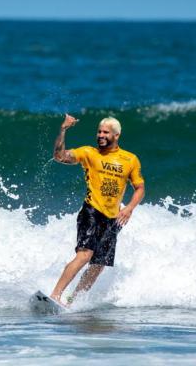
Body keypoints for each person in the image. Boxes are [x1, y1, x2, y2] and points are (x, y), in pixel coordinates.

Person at [50, 114, 145, 306]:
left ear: (116, 135)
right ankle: (55, 295)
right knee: (84, 255)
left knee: (98, 265)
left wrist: (129, 208)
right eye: (99, 131)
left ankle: (71, 301)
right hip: (92, 211)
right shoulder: (88, 153)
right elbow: (59, 156)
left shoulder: (130, 159)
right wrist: (63, 129)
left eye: (105, 132)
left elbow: (140, 188)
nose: (101, 135)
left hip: (114, 218)